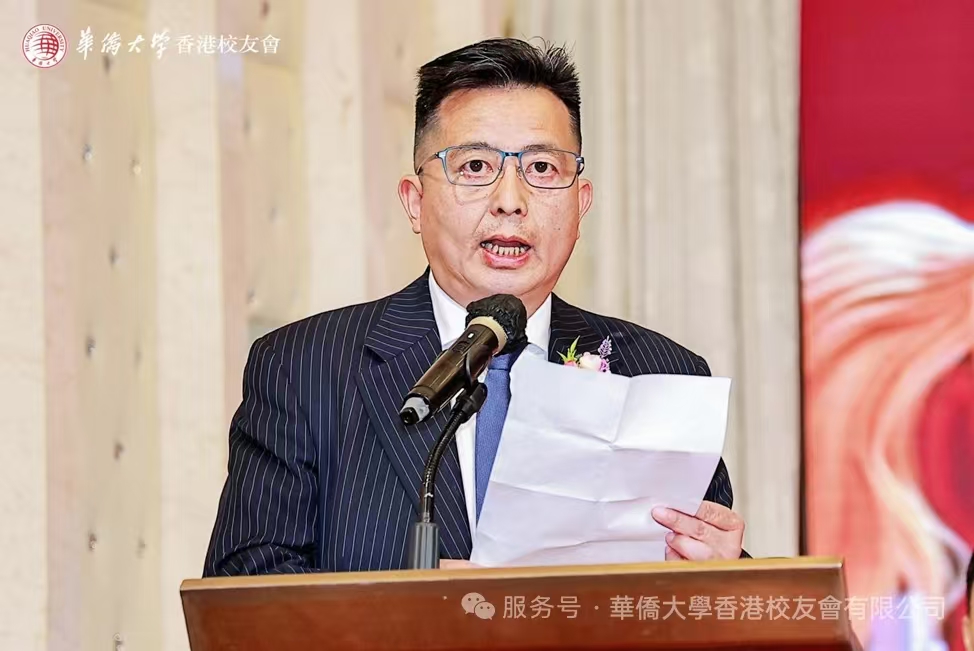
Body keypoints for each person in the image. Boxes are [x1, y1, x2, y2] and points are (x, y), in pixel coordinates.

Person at [203, 38, 746, 576]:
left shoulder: (661, 375)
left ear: (581, 204)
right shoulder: (306, 368)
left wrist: (724, 575)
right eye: (475, 166)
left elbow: (720, 601)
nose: (510, 201)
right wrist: (418, 609)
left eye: (542, 168)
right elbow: (244, 589)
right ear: (415, 202)